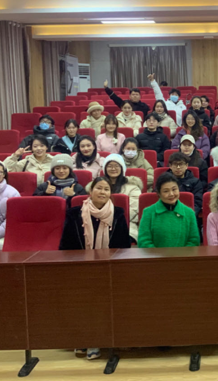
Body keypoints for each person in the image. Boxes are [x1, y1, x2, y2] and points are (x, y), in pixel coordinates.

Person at [60, 176, 130, 360]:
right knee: (82, 301)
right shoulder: (74, 213)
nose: (102, 192)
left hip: (109, 268)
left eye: (106, 189)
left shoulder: (118, 214)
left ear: (110, 193)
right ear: (90, 191)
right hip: (80, 268)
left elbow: (124, 247)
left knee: (103, 300)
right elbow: (65, 245)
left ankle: (98, 340)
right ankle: (83, 338)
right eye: (99, 188)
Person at [138, 173, 200, 248]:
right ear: (159, 194)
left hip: (183, 255)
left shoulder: (189, 213)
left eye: (174, 189)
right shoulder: (148, 212)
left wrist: (182, 254)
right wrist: (157, 255)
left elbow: (194, 241)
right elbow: (144, 241)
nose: (171, 194)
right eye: (165, 191)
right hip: (155, 255)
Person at [96, 154, 144, 240]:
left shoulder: (133, 187)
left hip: (126, 224)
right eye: (109, 166)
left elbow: (133, 210)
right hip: (101, 224)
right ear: (105, 169)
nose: (113, 169)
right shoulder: (98, 187)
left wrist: (113, 220)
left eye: (116, 166)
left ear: (122, 168)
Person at [166, 152, 203, 218]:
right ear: (170, 166)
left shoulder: (195, 182)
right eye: (175, 164)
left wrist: (188, 215)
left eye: (181, 164)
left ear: (186, 166)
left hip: (187, 215)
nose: (178, 167)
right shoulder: (163, 181)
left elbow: (197, 202)